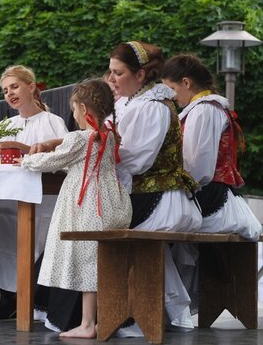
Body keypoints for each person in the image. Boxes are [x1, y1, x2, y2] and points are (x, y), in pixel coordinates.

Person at [18, 79, 132, 338]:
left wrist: (27, 160)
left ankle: (88, 323)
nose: (73, 115)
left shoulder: (80, 138)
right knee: (96, 262)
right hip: (110, 201)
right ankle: (92, 321)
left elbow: (51, 161)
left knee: (86, 262)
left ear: (82, 108)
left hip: (87, 205)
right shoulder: (109, 135)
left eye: (73, 110)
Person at [107, 41, 202, 335]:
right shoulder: (130, 103)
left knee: (104, 227)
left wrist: (99, 157)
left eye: (118, 73)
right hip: (144, 192)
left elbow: (137, 161)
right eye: (109, 72)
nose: (110, 79)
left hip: (160, 195)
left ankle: (132, 313)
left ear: (140, 75)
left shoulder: (152, 107)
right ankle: (166, 309)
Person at [0, 65, 68, 319]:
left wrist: (19, 147)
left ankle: (38, 301)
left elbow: (62, 158)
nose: (9, 94)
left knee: (39, 245)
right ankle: (9, 297)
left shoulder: (53, 122)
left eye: (15, 87)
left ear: (32, 87)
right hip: (9, 199)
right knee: (8, 243)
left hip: (44, 199)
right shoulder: (5, 125)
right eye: (5, 90)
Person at [161, 54, 261, 240]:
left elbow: (198, 167)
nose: (171, 97)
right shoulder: (204, 109)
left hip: (208, 196)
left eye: (172, 89)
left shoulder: (204, 110)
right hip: (207, 192)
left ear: (186, 83)